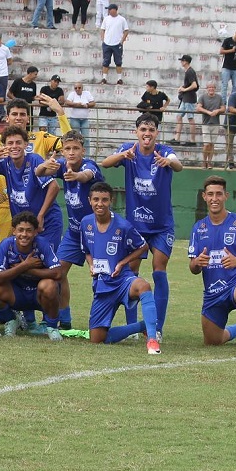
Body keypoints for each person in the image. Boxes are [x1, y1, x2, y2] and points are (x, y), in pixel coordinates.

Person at [100, 113, 183, 338]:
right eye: (143, 130)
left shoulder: (163, 151)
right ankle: (132, 328)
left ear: (157, 133)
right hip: (135, 225)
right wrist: (121, 157)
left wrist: (170, 162)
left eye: (151, 130)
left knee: (159, 271)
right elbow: (105, 163)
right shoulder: (129, 150)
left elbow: (178, 165)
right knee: (132, 273)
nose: (147, 134)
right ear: (137, 132)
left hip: (161, 225)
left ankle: (157, 328)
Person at [0, 96, 71, 244]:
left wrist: (60, 112)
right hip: (5, 204)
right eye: (14, 114)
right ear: (7, 117)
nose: (18, 118)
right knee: (3, 249)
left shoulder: (41, 137)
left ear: (28, 118)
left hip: (36, 204)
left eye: (22, 114)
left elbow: (68, 143)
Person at [79, 182, 161, 354]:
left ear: (111, 201)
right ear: (89, 201)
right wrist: (91, 264)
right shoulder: (85, 223)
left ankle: (153, 339)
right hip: (102, 285)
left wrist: (123, 263)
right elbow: (86, 251)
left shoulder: (123, 226)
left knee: (143, 286)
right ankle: (141, 326)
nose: (99, 203)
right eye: (96, 199)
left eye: (104, 200)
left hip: (123, 280)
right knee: (97, 339)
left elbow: (143, 247)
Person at [35, 130, 104, 330]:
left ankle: (99, 321)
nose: (71, 152)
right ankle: (63, 320)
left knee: (100, 276)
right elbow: (38, 173)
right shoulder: (62, 165)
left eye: (76, 148)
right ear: (62, 151)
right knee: (57, 273)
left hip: (96, 234)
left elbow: (87, 175)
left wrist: (76, 175)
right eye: (67, 149)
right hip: (74, 233)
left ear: (83, 149)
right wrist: (44, 165)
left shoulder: (89, 166)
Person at [188, 176, 236, 355]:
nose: (215, 198)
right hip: (213, 294)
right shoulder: (198, 228)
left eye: (219, 194)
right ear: (204, 197)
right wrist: (197, 263)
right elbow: (193, 268)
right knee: (212, 341)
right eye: (210, 194)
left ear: (226, 196)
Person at [0, 125, 64, 249]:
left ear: (26, 145)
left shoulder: (34, 160)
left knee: (45, 262)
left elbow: (54, 186)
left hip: (46, 221)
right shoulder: (5, 162)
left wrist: (40, 215)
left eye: (18, 142)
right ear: (4, 146)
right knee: (24, 261)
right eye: (10, 143)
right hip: (25, 225)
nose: (14, 146)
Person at [0, 211, 63, 341]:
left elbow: (58, 273)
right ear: (14, 231)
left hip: (38, 295)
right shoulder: (6, 245)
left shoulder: (42, 243)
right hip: (16, 294)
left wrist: (30, 270)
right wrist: (24, 266)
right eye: (20, 230)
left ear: (35, 232)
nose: (24, 234)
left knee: (49, 285)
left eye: (29, 230)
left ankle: (52, 326)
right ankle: (12, 320)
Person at [196, 82, 226, 169]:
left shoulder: (219, 97)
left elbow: (223, 108)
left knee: (212, 144)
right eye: (209, 87)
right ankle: (204, 161)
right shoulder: (202, 97)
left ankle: (209, 162)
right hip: (206, 123)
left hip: (216, 123)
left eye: (213, 87)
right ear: (207, 88)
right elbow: (198, 107)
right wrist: (208, 112)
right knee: (206, 144)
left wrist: (217, 111)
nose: (211, 89)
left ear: (215, 88)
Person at [171, 55, 199, 146]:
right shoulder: (188, 71)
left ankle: (192, 140)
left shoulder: (190, 71)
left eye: (182, 61)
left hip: (189, 98)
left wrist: (184, 89)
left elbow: (194, 85)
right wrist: (183, 88)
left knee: (190, 118)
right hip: (186, 98)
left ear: (185, 61)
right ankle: (177, 138)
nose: (181, 62)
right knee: (179, 116)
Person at [99, 3, 129, 85]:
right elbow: (102, 29)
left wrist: (122, 41)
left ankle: (119, 79)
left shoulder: (122, 19)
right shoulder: (106, 19)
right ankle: (104, 78)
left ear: (115, 10)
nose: (109, 11)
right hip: (107, 43)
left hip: (117, 44)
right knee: (106, 61)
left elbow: (126, 30)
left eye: (110, 9)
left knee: (118, 61)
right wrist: (103, 39)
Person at [218, 27, 236, 100]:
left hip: (235, 67)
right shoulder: (227, 40)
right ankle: (223, 103)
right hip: (226, 67)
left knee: (235, 86)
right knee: (224, 86)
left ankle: (232, 103)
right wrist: (232, 50)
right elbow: (221, 51)